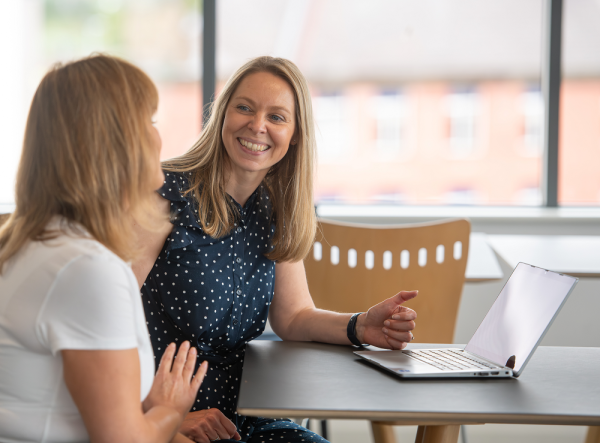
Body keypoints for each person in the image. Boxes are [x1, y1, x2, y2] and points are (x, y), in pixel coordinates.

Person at [133, 56, 418, 443]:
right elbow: (99, 322)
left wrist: (360, 326)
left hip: (242, 419)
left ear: (296, 134)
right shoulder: (164, 193)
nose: (257, 126)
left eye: (277, 117)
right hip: (165, 422)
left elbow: (294, 315)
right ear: (223, 114)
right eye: (245, 108)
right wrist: (156, 416)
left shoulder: (274, 208)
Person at [0, 55, 207, 443]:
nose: (158, 137)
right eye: (150, 121)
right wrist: (170, 409)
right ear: (116, 143)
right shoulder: (85, 268)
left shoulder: (33, 244)